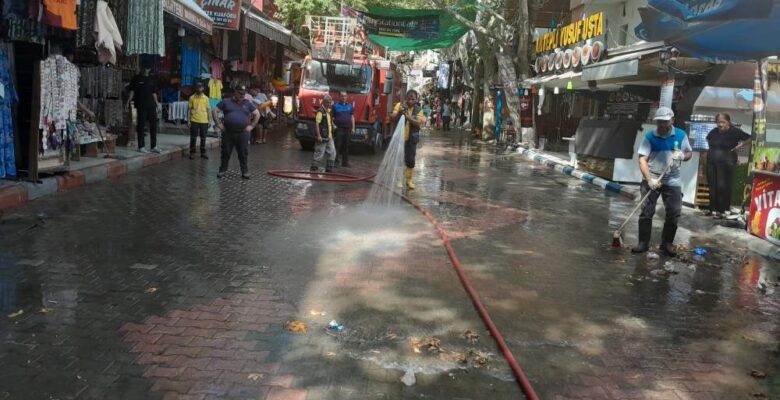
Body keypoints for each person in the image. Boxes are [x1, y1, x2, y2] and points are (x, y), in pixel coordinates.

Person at [632, 107, 693, 256]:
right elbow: (642, 160)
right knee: (646, 212)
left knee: (674, 213)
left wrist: (682, 156)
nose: (662, 125)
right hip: (652, 177)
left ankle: (667, 244)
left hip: (672, 179)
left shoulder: (680, 135)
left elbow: (689, 153)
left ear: (672, 120)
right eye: (660, 122)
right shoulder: (650, 137)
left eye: (665, 122)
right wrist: (649, 180)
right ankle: (643, 243)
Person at [706, 113, 751, 218]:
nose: (720, 125)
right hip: (712, 163)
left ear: (728, 122)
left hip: (727, 163)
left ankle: (722, 211)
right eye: (718, 122)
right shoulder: (713, 132)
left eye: (723, 122)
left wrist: (741, 145)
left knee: (723, 187)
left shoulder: (734, 131)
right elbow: (709, 141)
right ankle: (712, 209)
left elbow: (750, 137)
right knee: (712, 186)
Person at [212, 86, 260, 179]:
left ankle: (244, 171)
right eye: (240, 93)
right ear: (235, 92)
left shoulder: (247, 103)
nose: (242, 95)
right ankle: (222, 170)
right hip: (228, 132)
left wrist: (252, 126)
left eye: (244, 93)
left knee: (243, 153)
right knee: (225, 152)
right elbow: (214, 111)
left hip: (242, 133)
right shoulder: (226, 101)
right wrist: (218, 124)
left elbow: (257, 114)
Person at [392, 90, 426, 190]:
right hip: (400, 139)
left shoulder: (419, 109)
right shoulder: (399, 105)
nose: (410, 101)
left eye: (413, 99)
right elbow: (393, 117)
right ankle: (398, 180)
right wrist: (399, 113)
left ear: (416, 100)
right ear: (405, 98)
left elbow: (417, 123)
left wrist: (407, 116)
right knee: (399, 160)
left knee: (410, 160)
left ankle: (409, 180)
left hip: (411, 139)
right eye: (409, 99)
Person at [127, 62, 161, 153]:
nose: (146, 70)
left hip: (152, 106)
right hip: (140, 105)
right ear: (141, 68)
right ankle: (141, 146)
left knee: (153, 126)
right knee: (141, 126)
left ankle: (154, 146)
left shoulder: (152, 79)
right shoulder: (136, 78)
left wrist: (157, 104)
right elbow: (132, 91)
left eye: (147, 68)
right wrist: (128, 101)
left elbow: (154, 93)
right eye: (144, 68)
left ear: (149, 69)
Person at [311, 95, 336, 172]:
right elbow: (317, 124)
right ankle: (314, 168)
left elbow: (330, 120)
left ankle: (329, 168)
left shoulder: (329, 111)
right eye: (328, 103)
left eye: (330, 103)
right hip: (322, 136)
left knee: (332, 152)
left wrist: (333, 125)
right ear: (324, 102)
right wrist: (318, 135)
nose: (329, 104)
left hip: (329, 136)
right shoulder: (320, 111)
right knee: (320, 152)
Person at [187, 82, 210, 160]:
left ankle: (203, 152)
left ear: (203, 88)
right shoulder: (192, 98)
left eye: (200, 87)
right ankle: (192, 153)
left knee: (203, 138)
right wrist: (188, 121)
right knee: (193, 137)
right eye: (197, 87)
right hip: (194, 120)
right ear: (195, 88)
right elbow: (189, 110)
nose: (199, 89)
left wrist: (209, 121)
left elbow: (208, 110)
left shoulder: (206, 98)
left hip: (204, 121)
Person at [332, 91, 354, 167]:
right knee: (337, 145)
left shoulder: (350, 106)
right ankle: (335, 162)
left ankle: (345, 162)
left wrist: (353, 128)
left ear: (347, 97)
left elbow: (352, 117)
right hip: (339, 128)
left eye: (345, 96)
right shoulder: (335, 106)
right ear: (339, 97)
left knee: (346, 145)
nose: (344, 97)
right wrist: (333, 125)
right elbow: (331, 117)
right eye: (342, 96)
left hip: (347, 129)